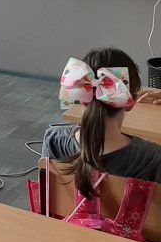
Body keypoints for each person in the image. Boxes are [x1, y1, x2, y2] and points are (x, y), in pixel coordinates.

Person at [43, 48, 161, 194]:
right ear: (131, 102)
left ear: (80, 96)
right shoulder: (153, 159)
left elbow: (45, 198)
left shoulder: (54, 140)